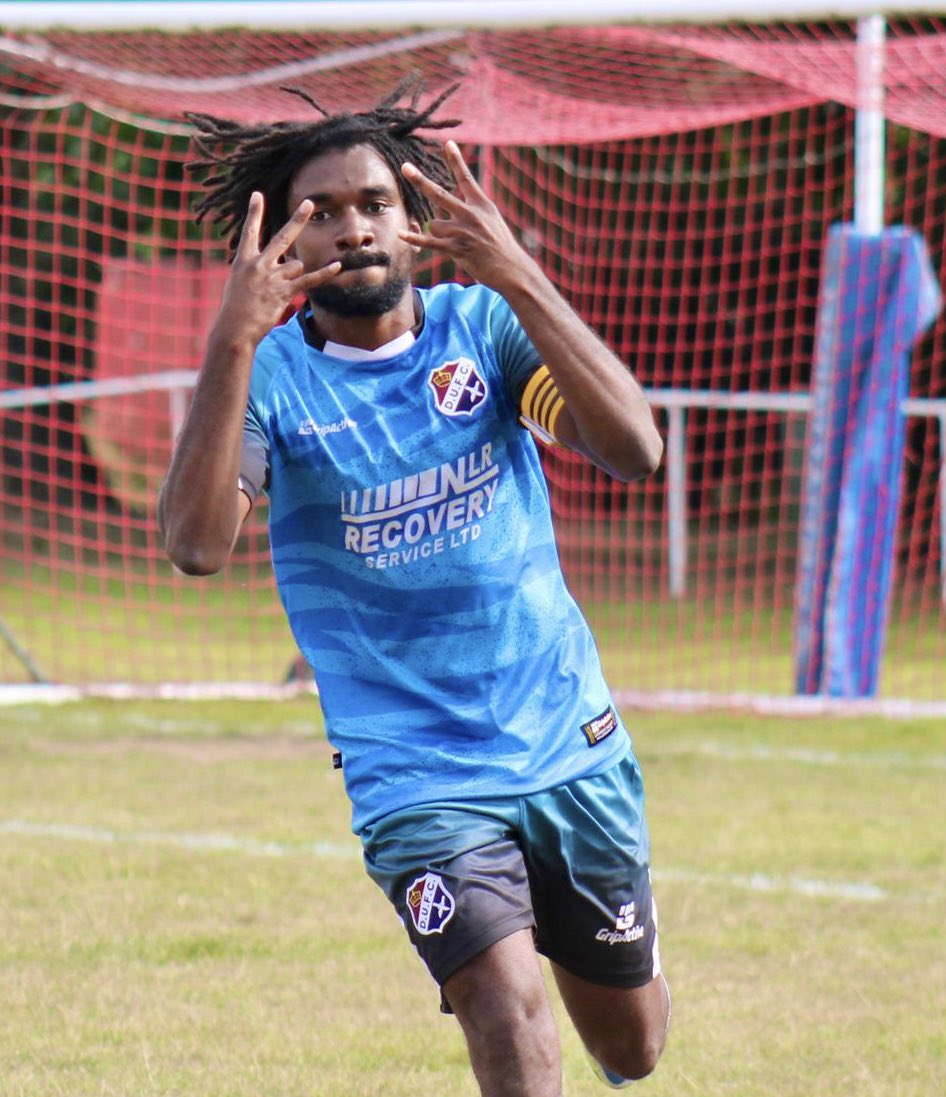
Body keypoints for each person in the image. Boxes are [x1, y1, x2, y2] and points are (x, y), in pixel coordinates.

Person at [158, 79, 669, 1096]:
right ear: (286, 245)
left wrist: (520, 274)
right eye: (323, 211)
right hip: (414, 769)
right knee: (501, 995)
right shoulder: (268, 381)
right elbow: (196, 544)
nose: (353, 227)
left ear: (414, 216)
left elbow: (634, 447)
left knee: (632, 1043)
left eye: (374, 202)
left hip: (564, 732)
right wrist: (229, 340)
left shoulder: (481, 330)